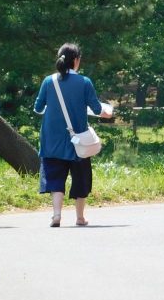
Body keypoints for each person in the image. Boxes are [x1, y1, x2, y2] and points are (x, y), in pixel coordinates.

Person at [34, 43, 112, 227]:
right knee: (81, 178)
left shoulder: (48, 81)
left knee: (54, 177)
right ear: (76, 61)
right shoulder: (84, 82)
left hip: (52, 139)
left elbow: (38, 108)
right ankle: (79, 217)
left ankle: (56, 215)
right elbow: (97, 108)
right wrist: (106, 113)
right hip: (78, 140)